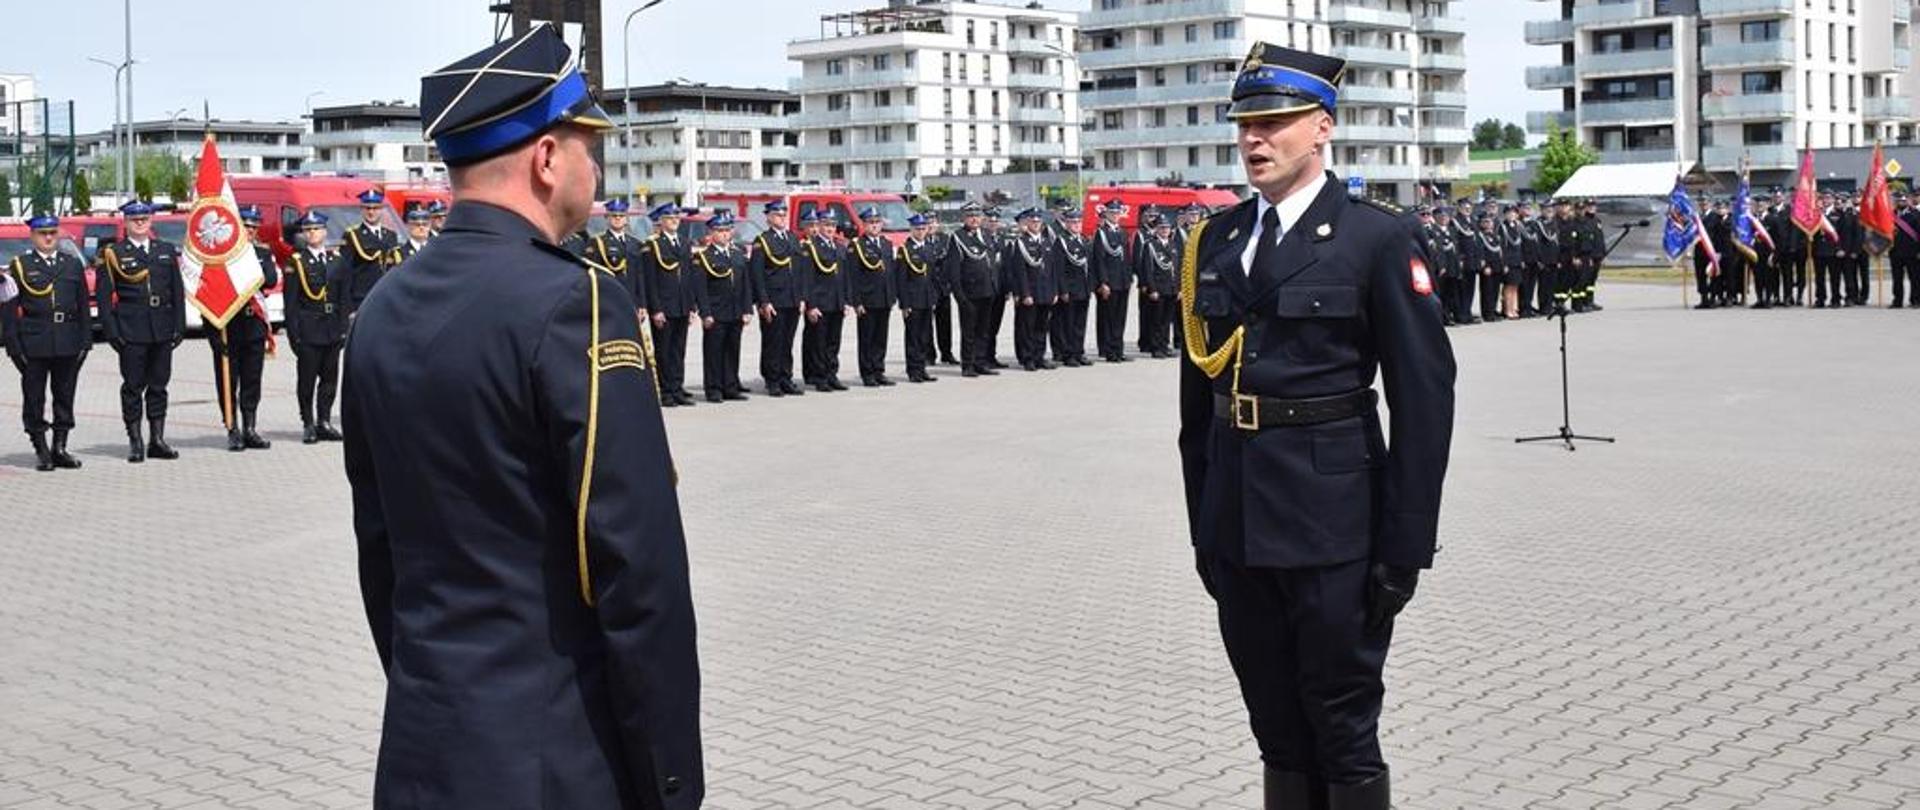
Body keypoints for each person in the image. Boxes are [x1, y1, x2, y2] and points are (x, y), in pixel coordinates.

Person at [342, 24, 701, 809]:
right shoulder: (577, 301)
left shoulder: (383, 307)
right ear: (545, 158)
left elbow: (381, 549)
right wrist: (670, 779)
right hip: (556, 760)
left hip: (424, 748)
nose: (594, 170)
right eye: (588, 149)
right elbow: (635, 566)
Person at [1178, 43, 1455, 810]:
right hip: (1238, 527)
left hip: (1335, 531)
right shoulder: (1216, 241)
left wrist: (1405, 546)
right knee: (1275, 728)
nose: (1254, 139)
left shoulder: (1375, 238)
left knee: (1341, 727)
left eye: (1274, 123)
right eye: (1245, 125)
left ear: (1323, 128)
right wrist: (1204, 524)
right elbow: (1198, 407)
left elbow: (1425, 399)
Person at [96, 200, 187, 463]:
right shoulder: (114, 253)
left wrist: (179, 326)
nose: (140, 223)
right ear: (125, 222)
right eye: (134, 219)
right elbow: (104, 297)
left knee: (159, 385)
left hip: (161, 327)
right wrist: (112, 332)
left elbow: (177, 291)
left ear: (151, 221)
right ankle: (135, 441)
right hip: (131, 329)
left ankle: (157, 439)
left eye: (144, 218)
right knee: (133, 387)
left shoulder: (164, 250)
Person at [4, 215, 91, 471]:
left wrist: (85, 342)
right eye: (43, 234)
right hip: (34, 342)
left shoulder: (71, 264)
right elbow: (8, 310)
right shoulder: (21, 266)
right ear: (33, 236)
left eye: (53, 233)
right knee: (34, 398)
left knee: (64, 395)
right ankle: (41, 448)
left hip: (67, 339)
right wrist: (13, 347)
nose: (49, 238)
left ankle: (60, 447)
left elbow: (83, 306)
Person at [211, 206, 279, 452]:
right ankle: (233, 428)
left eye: (253, 227)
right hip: (229, 326)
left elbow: (270, 280)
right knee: (228, 381)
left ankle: (250, 427)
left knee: (252, 379)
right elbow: (210, 295)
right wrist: (213, 336)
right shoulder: (222, 256)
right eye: (246, 226)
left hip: (254, 324)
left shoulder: (262, 252)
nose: (249, 231)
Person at [284, 211, 348, 444]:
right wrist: (294, 335)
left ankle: (324, 421)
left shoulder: (336, 260)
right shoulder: (296, 262)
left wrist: (343, 328)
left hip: (332, 329)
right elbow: (291, 303)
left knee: (330, 379)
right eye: (308, 230)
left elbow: (344, 298)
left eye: (316, 229)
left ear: (324, 232)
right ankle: (308, 423)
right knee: (307, 381)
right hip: (309, 330)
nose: (312, 233)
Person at [643, 203, 698, 406]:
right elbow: (650, 280)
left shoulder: (684, 242)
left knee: (678, 351)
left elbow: (689, 276)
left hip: (682, 305)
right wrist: (655, 309)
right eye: (670, 218)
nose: (675, 221)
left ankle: (677, 388)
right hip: (664, 307)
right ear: (662, 221)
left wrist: (691, 306)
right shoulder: (653, 245)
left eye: (677, 218)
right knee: (664, 351)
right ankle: (665, 391)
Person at [750, 200, 805, 397]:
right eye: (777, 215)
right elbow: (757, 274)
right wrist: (764, 301)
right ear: (769, 218)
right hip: (774, 300)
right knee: (773, 341)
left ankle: (785, 377)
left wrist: (801, 297)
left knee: (787, 342)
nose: (782, 218)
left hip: (792, 298)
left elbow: (799, 271)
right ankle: (772, 380)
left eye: (783, 215)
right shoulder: (762, 241)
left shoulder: (792, 238)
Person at [696, 212, 751, 403]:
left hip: (735, 311)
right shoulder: (705, 256)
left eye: (727, 230)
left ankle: (730, 386)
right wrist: (705, 313)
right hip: (716, 312)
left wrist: (747, 310)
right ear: (711, 233)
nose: (724, 234)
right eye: (720, 231)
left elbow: (745, 285)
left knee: (732, 350)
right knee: (714, 352)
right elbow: (701, 289)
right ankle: (714, 389)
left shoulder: (737, 254)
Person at [944, 202, 1000, 377]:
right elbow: (953, 270)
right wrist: (960, 296)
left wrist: (995, 286)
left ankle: (980, 362)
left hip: (987, 290)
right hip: (969, 293)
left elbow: (991, 263)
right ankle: (968, 365)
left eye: (977, 215)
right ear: (964, 218)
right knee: (969, 331)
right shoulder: (958, 238)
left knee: (983, 330)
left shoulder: (986, 235)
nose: (974, 219)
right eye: (970, 216)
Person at [801, 211, 852, 392]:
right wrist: (811, 305)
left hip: (837, 302)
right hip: (820, 303)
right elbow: (807, 279)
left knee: (833, 342)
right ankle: (819, 376)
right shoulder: (811, 247)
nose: (830, 229)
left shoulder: (840, 247)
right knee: (818, 343)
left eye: (833, 225)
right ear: (820, 226)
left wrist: (846, 300)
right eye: (826, 225)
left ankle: (831, 374)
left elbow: (845, 277)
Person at [849, 207, 898, 387]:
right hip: (867, 299)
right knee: (867, 338)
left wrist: (892, 296)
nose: (875, 225)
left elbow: (890, 272)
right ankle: (867, 373)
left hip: (884, 298)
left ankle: (879, 370)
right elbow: (853, 276)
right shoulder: (857, 245)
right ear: (864, 224)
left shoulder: (886, 243)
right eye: (871, 222)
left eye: (877, 222)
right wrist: (857, 301)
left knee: (880, 338)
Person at [895, 214, 942, 383]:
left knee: (924, 337)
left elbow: (932, 276)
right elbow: (901, 279)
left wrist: (934, 298)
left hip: (927, 299)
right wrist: (904, 303)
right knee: (913, 337)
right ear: (911, 230)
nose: (921, 232)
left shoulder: (928, 247)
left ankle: (922, 368)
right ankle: (913, 370)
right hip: (913, 301)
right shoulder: (905, 250)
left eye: (923, 228)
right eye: (917, 229)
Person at [589, 198, 647, 324]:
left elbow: (639, 275)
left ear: (626, 219)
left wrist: (642, 304)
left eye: (621, 216)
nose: (618, 218)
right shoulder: (598, 243)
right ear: (607, 218)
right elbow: (595, 275)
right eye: (614, 216)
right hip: (609, 300)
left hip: (631, 299)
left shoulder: (635, 243)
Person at [341, 188, 398, 317]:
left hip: (385, 296)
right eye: (367, 208)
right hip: (362, 297)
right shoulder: (352, 235)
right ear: (362, 210)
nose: (371, 212)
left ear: (381, 209)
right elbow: (346, 273)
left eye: (375, 208)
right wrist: (349, 307)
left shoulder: (391, 235)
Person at [1049, 208, 1094, 367]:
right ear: (1067, 223)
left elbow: (1089, 266)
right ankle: (1068, 354)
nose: (1076, 225)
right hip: (1070, 289)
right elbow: (1058, 269)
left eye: (1079, 222)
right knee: (1067, 323)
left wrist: (1090, 286)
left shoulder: (1084, 240)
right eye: (1073, 222)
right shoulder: (1061, 241)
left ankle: (1078, 351)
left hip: (1083, 288)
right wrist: (1063, 290)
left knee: (1080, 323)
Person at [1091, 199, 1133, 363]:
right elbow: (1099, 260)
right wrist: (1103, 282)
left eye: (1117, 213)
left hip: (1122, 281)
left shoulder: (1122, 232)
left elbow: (1126, 258)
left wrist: (1128, 278)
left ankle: (1118, 349)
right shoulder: (1101, 233)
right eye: (1112, 213)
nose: (1115, 215)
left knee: (1120, 318)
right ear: (1106, 214)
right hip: (1110, 282)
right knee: (1108, 318)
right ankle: (1109, 350)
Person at [1134, 214, 1179, 357]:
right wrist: (1152, 289)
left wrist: (1179, 288)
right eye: (1162, 228)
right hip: (1158, 288)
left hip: (1171, 288)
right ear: (1157, 229)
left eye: (1167, 228)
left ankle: (1164, 345)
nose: (1165, 230)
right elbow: (1148, 269)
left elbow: (1177, 268)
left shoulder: (1173, 244)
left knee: (1167, 320)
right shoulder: (1150, 245)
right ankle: (1156, 347)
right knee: (1156, 320)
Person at [927, 217, 960, 365]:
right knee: (927, 325)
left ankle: (946, 353)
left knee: (945, 323)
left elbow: (951, 262)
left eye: (933, 222)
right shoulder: (920, 240)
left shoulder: (945, 239)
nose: (931, 225)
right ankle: (929, 355)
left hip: (943, 288)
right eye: (928, 223)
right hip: (928, 288)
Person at [983, 208, 1012, 369]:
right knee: (985, 325)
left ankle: (991, 356)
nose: (993, 224)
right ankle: (983, 357)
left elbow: (1006, 266)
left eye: (995, 221)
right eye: (990, 221)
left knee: (994, 325)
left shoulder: (1001, 239)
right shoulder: (982, 238)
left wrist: (1007, 289)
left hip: (1000, 289)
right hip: (987, 288)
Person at [1893, 192, 1920, 308]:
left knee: (1914, 278)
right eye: (1899, 201)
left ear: (1908, 201)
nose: (1901, 203)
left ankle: (1915, 300)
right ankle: (1897, 301)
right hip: (1895, 251)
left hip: (1912, 251)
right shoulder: (1891, 214)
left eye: (1904, 201)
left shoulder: (1915, 214)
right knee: (1897, 279)